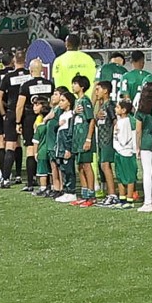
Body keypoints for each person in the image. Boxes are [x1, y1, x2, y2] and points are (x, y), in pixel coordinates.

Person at [0, 50, 29, 189]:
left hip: (12, 112)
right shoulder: (29, 75)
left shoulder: (8, 77)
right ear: (25, 61)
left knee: (10, 145)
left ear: (14, 61)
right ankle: (22, 175)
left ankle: (5, 179)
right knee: (28, 146)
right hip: (28, 113)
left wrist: (3, 114)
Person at [20, 59, 54, 191]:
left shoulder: (26, 85)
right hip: (47, 117)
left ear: (30, 70)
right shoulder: (50, 84)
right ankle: (49, 182)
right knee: (46, 148)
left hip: (30, 119)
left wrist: (17, 122)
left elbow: (20, 105)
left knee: (30, 149)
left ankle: (30, 182)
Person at [134, 82, 152, 213]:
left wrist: (137, 146)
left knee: (147, 172)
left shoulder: (141, 111)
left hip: (145, 142)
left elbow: (138, 131)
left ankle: (148, 202)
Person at [69, 74, 98, 205]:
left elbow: (91, 120)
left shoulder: (86, 101)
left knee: (86, 165)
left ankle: (91, 195)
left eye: (75, 84)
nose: (73, 86)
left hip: (84, 139)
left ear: (82, 87)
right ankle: (84, 194)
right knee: (79, 166)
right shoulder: (77, 102)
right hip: (77, 140)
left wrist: (88, 139)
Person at [92, 81, 118, 205]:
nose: (96, 92)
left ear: (106, 91)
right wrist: (97, 117)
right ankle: (109, 193)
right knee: (102, 166)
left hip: (108, 140)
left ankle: (112, 194)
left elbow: (115, 121)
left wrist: (115, 136)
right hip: (102, 141)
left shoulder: (110, 105)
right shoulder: (102, 106)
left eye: (98, 89)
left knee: (105, 165)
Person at [53, 91, 77, 203]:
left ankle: (71, 192)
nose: (60, 103)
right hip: (60, 147)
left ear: (69, 102)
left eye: (63, 101)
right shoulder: (62, 115)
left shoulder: (71, 115)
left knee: (69, 170)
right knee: (63, 169)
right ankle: (66, 191)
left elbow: (69, 134)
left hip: (66, 147)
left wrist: (68, 149)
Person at [113, 99, 138, 208]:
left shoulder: (129, 121)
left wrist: (133, 149)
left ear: (123, 110)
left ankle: (129, 199)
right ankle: (122, 199)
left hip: (127, 152)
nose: (115, 109)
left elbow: (129, 137)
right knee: (120, 176)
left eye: (117, 107)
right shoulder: (119, 121)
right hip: (118, 152)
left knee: (129, 177)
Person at [31, 98, 54, 197]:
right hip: (51, 150)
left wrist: (35, 153)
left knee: (42, 172)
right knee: (51, 171)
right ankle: (53, 187)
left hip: (42, 152)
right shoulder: (51, 125)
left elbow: (36, 141)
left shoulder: (40, 126)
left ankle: (43, 188)